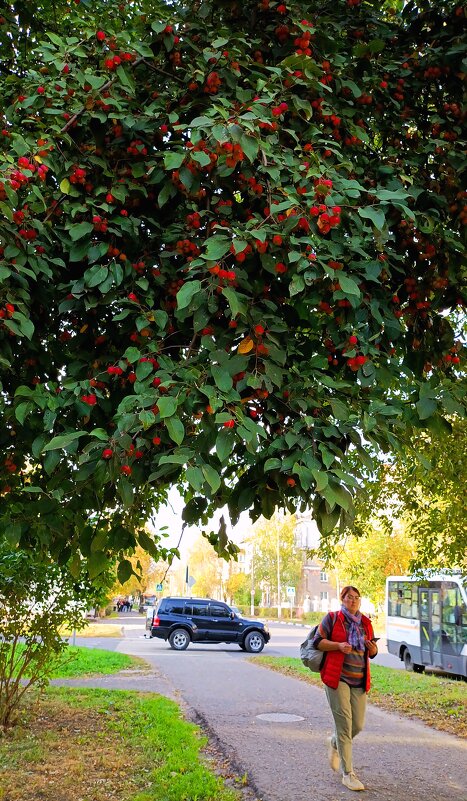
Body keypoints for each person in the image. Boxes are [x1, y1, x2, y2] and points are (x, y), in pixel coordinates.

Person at [313, 585, 378, 792]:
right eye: (349, 597)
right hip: (336, 678)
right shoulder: (332, 619)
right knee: (344, 724)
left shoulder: (366, 623)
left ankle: (334, 743)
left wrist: (373, 648)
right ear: (342, 599)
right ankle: (348, 774)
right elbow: (317, 642)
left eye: (357, 598)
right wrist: (338, 646)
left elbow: (372, 653)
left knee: (356, 725)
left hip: (359, 680)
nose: (353, 601)